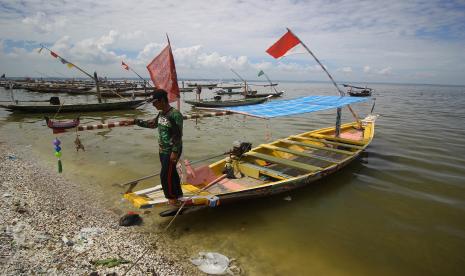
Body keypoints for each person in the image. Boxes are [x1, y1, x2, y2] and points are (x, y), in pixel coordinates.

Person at [134, 89, 184, 203]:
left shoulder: (175, 114)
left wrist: (175, 152)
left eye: (154, 102)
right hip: (162, 150)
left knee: (165, 175)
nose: (153, 104)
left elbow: (178, 135)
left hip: (172, 150)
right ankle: (178, 194)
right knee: (171, 173)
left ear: (162, 100)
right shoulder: (161, 113)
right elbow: (152, 124)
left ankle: (172, 198)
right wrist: (135, 121)